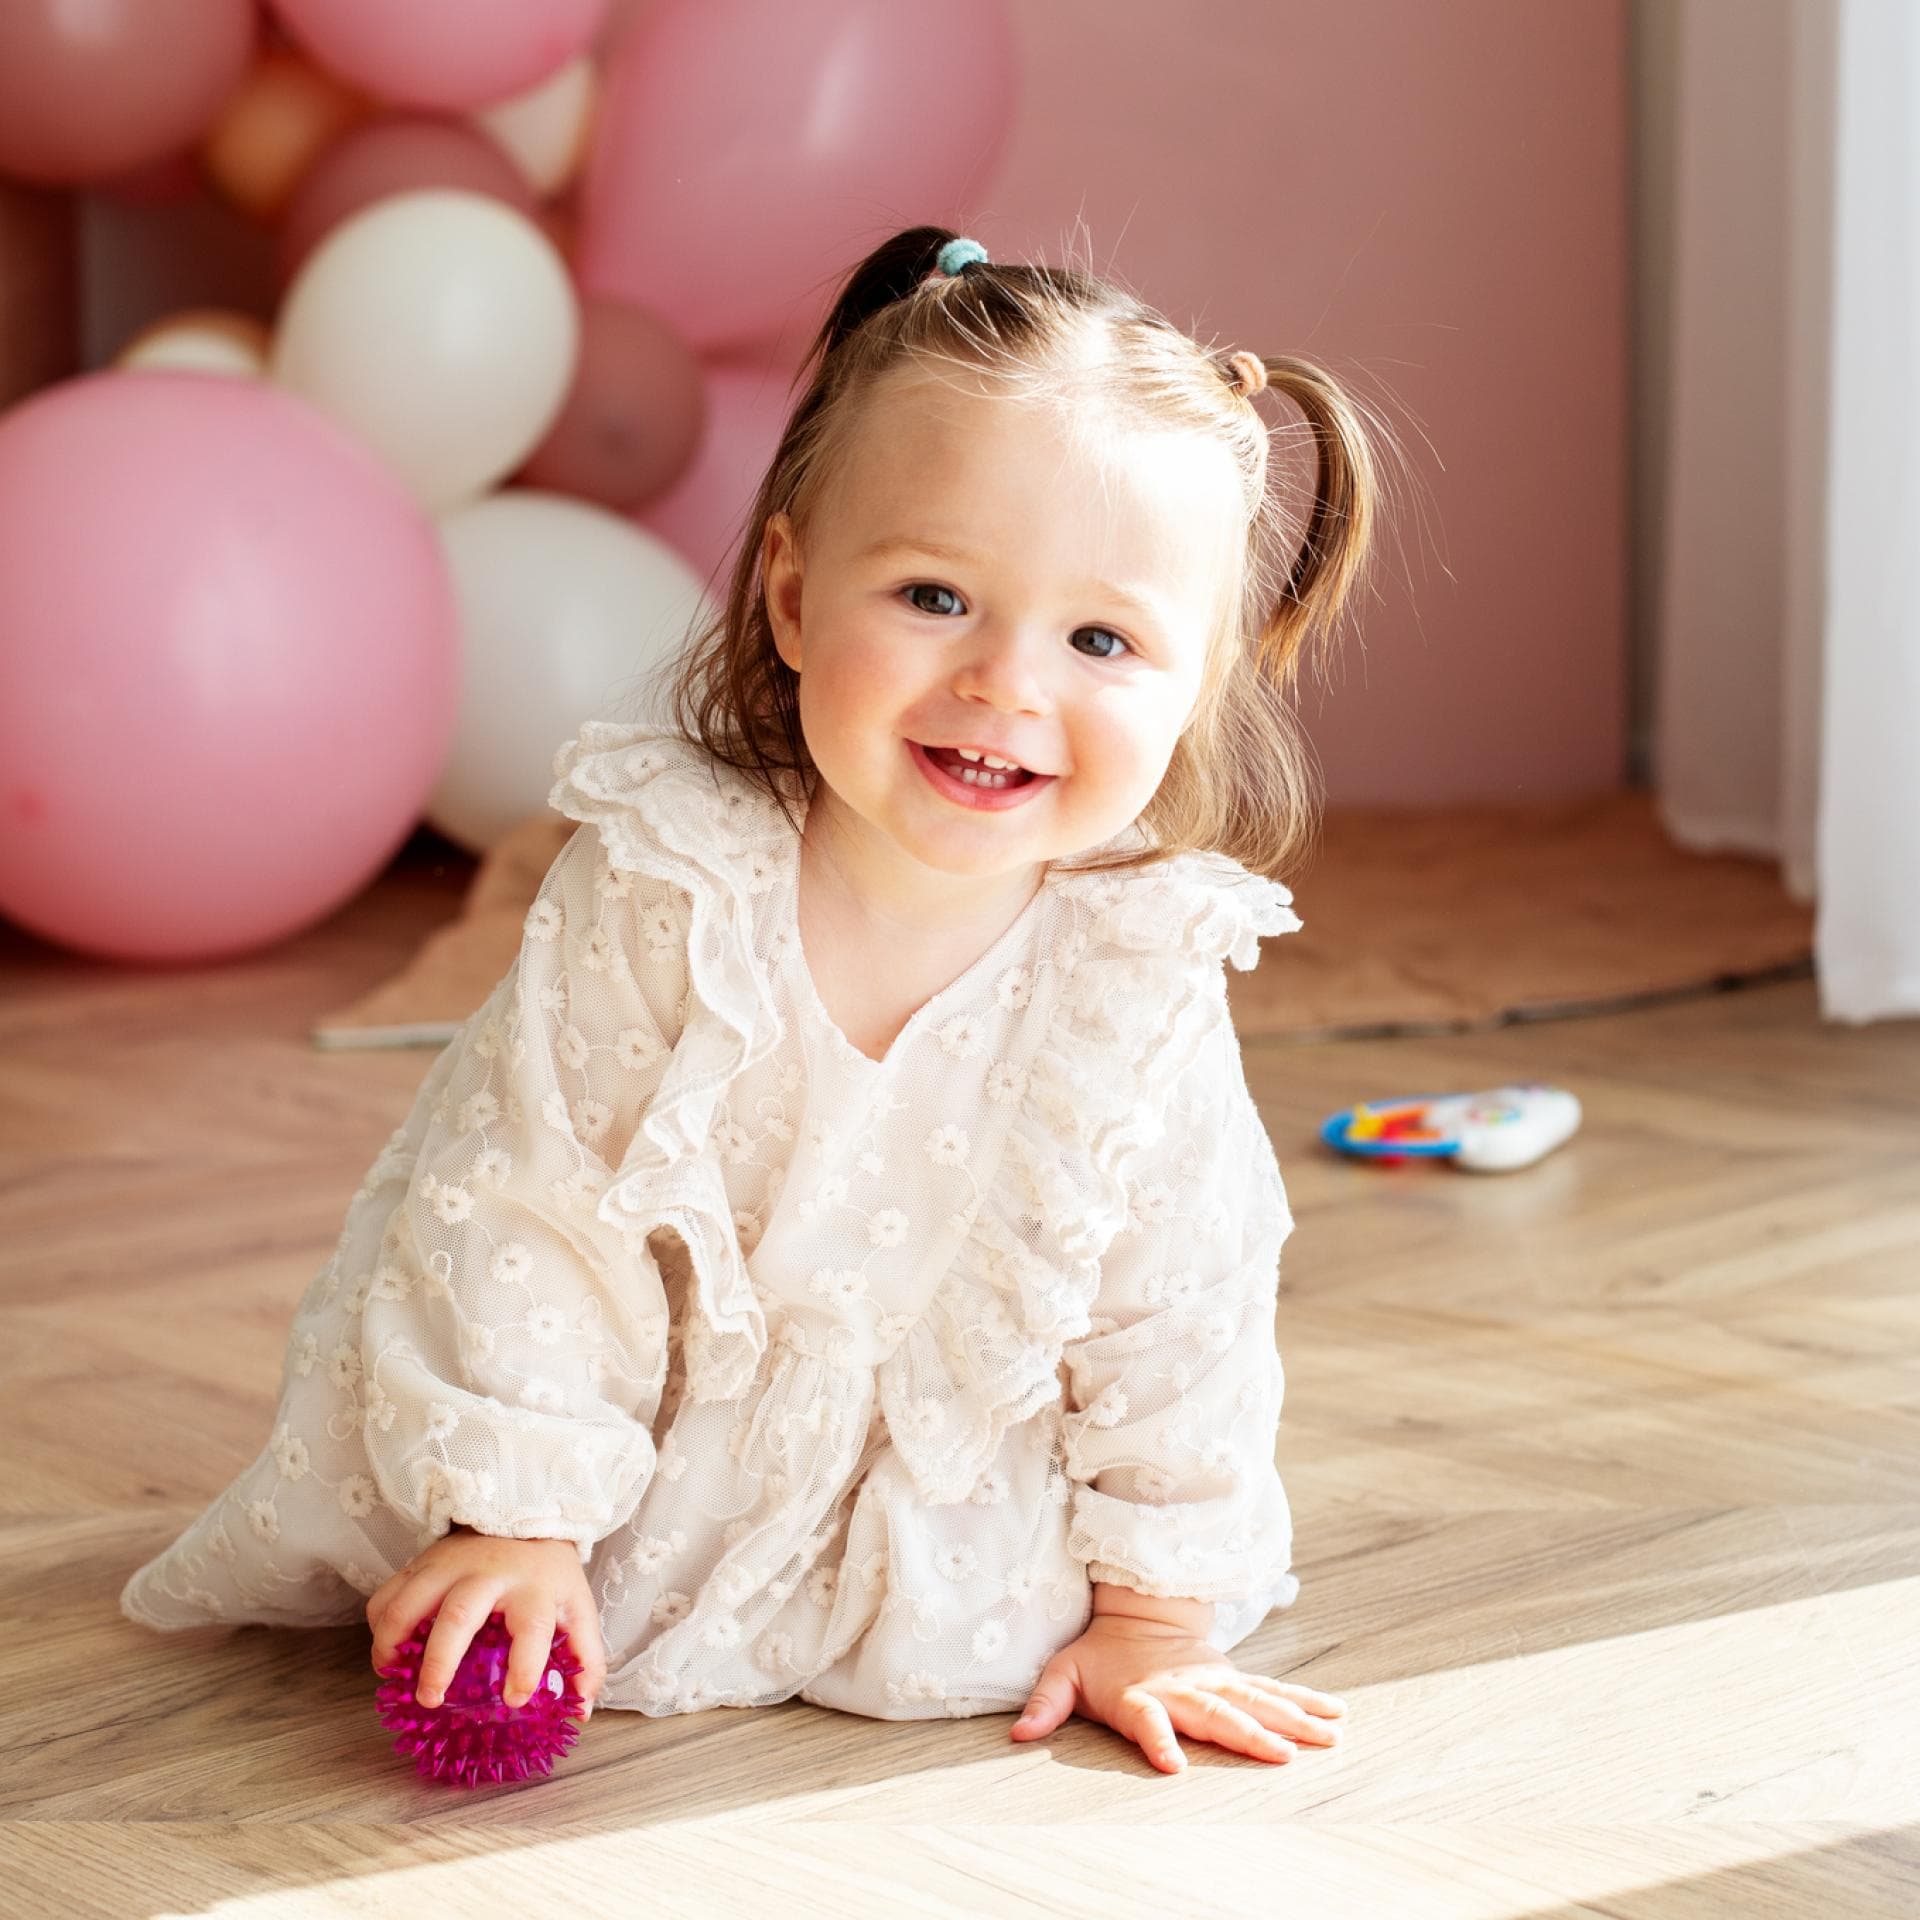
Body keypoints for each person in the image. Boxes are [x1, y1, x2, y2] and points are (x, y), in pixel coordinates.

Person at [122, 225, 1384, 1774]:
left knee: (1046, 1533)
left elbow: (1181, 1299)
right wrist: (516, 1515)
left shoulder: (1135, 962)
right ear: (791, 597)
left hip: (930, 1477)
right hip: (622, 1430)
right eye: (933, 596)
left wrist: (1155, 1612)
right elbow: (536, 1206)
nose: (1007, 684)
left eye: (1102, 639)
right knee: (522, 1379)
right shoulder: (674, 882)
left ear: (1193, 687)